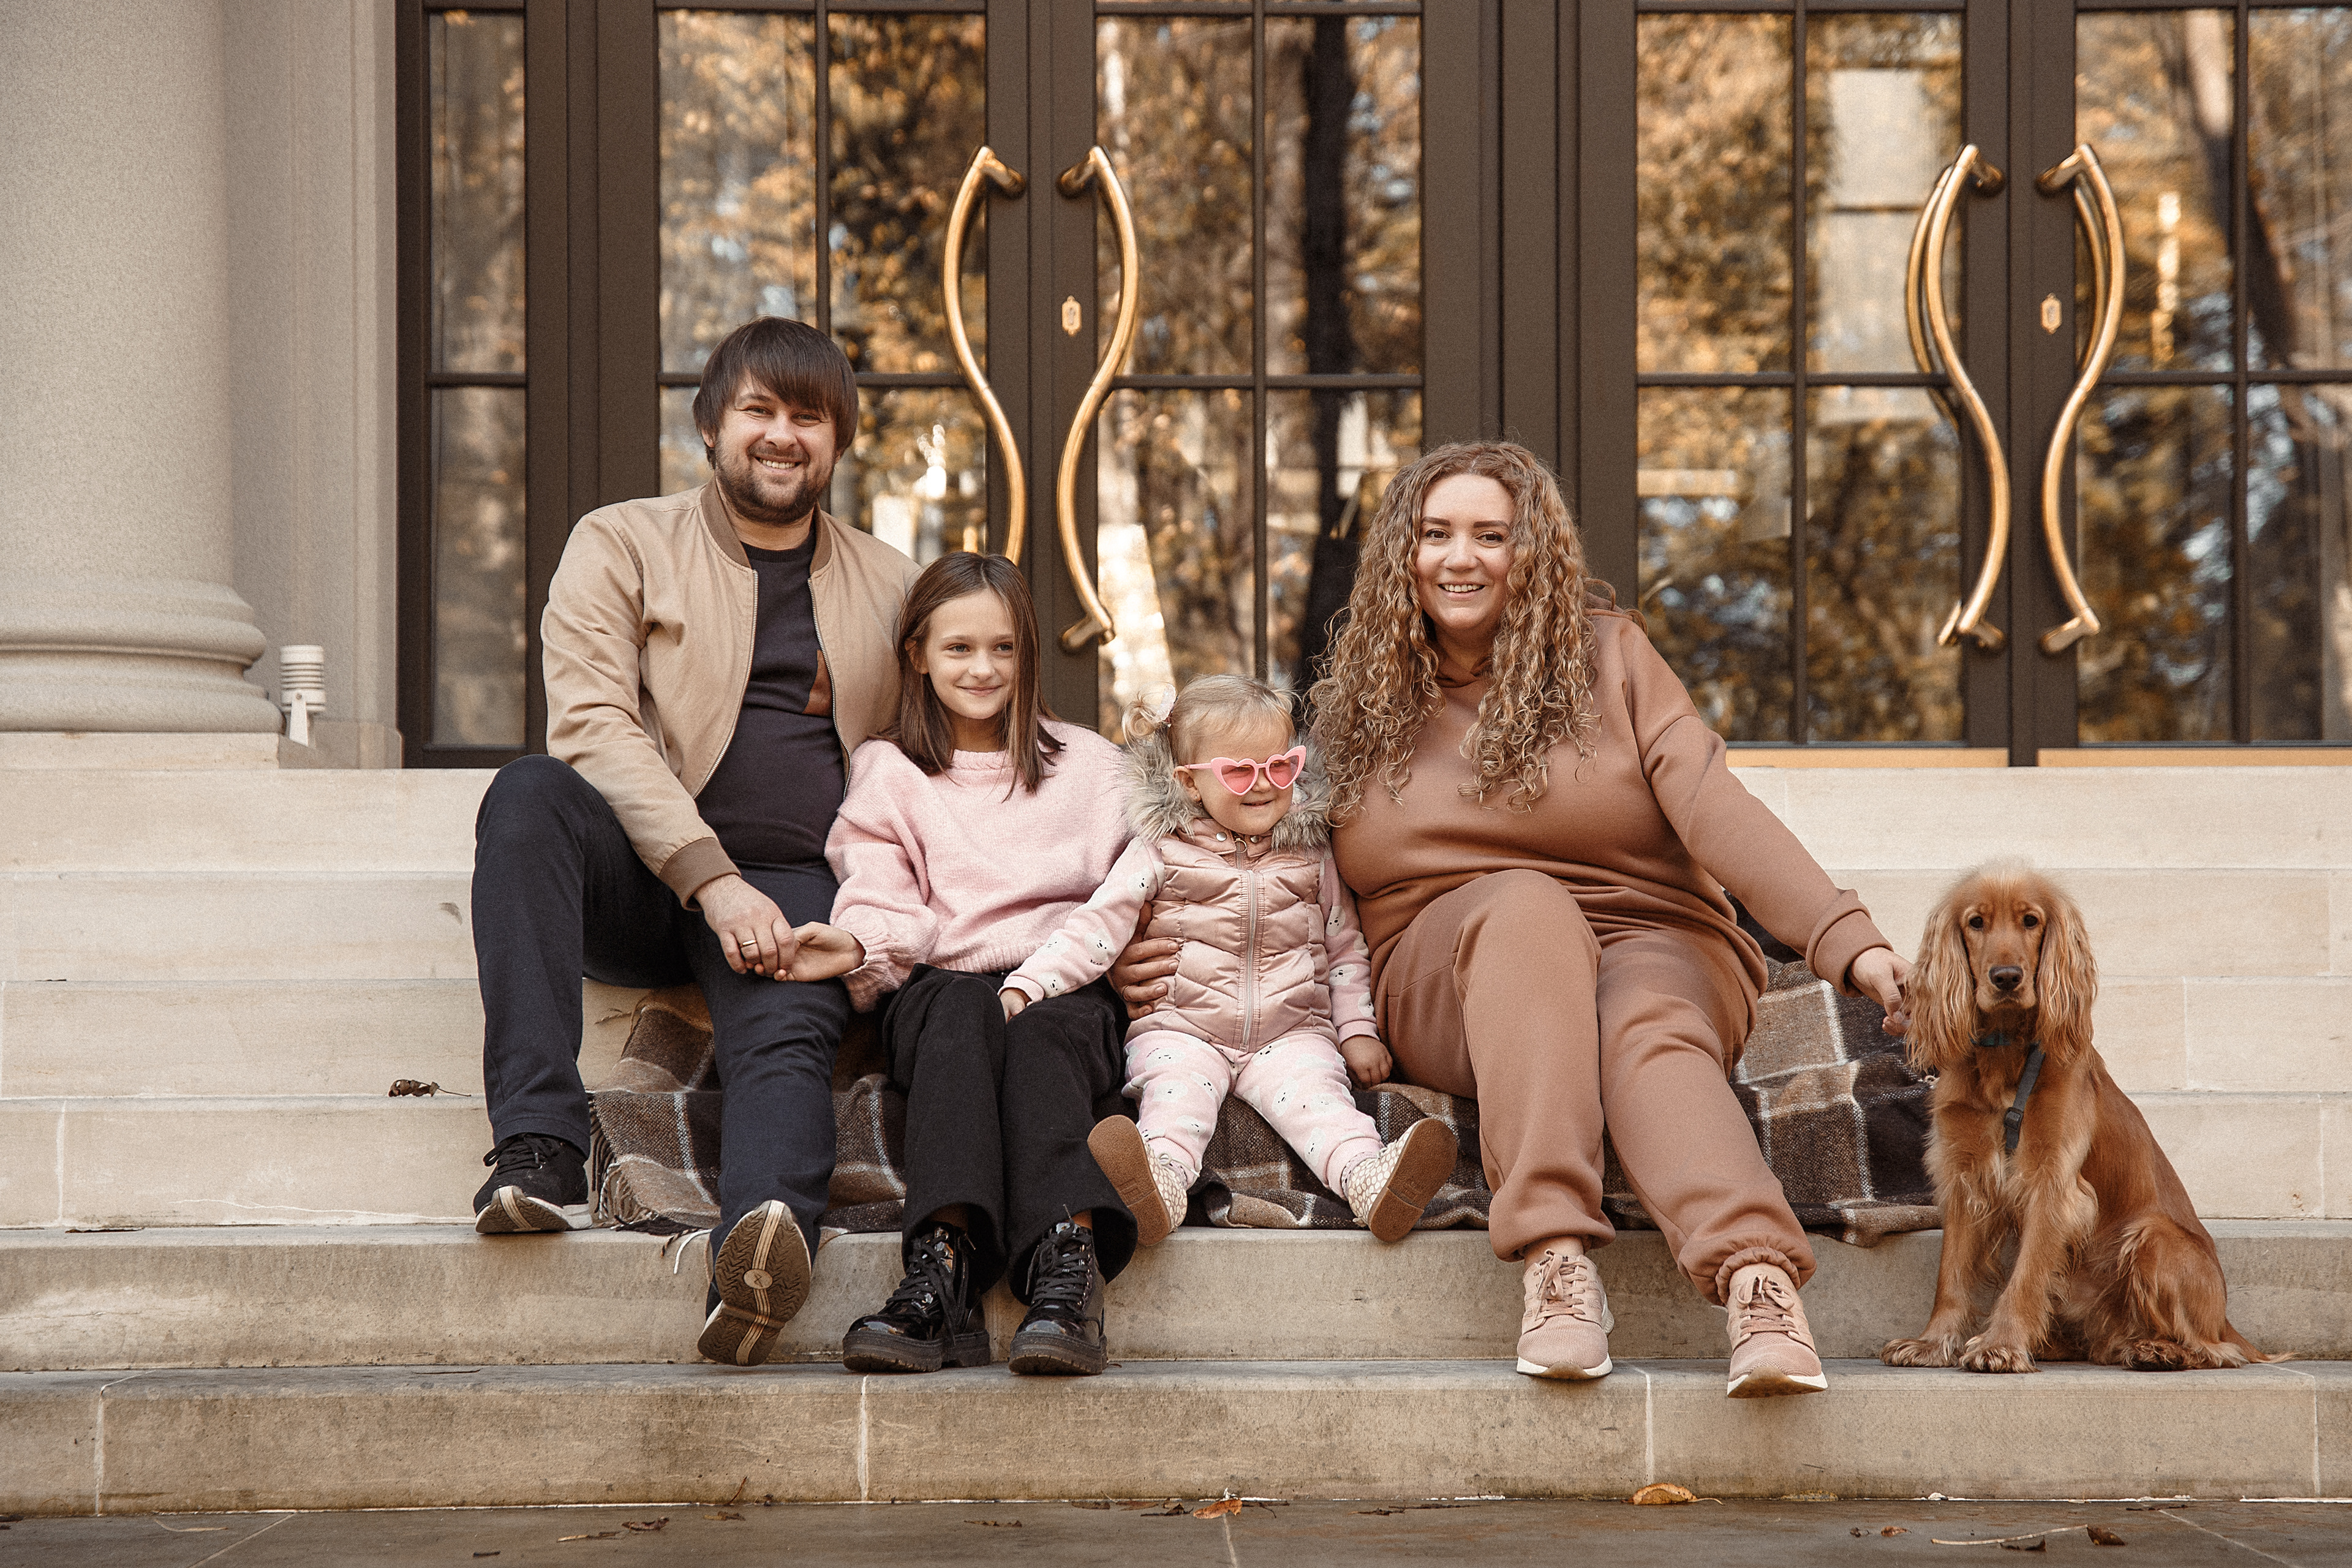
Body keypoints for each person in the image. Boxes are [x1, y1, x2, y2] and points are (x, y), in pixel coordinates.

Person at [1118, 441, 1911, 1398]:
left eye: (1491, 536)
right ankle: (1556, 1260)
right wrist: (1153, 943)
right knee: (1525, 909)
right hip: (1444, 970)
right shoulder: (1355, 705)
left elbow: (1714, 805)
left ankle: (1757, 1279)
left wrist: (1848, 942)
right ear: (1403, 553)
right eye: (1436, 534)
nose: (1462, 558)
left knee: (1646, 1021)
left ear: (1530, 550)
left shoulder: (1613, 657)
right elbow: (1252, 846)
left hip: (1650, 936)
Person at [467, 317, 921, 1368]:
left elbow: (960, 745)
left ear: (840, 441)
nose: (782, 435)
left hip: (799, 880)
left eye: (809, 417)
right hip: (641, 869)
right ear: (711, 425)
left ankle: (760, 1249)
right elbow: (592, 723)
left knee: (787, 1039)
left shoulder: (894, 583)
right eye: (759, 410)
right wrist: (710, 879)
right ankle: (538, 1149)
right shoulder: (622, 542)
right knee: (528, 796)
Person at [783, 552, 1139, 1377]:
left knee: (1043, 1033)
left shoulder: (1095, 767)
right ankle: (943, 1269)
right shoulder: (889, 770)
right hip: (941, 984)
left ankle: (1067, 1268)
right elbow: (881, 893)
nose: (984, 668)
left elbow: (1142, 886)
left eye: (1004, 648)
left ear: (1028, 653)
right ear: (917, 654)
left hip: (1063, 982)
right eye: (959, 648)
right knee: (959, 1010)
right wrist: (858, 945)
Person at [1000, 673, 1458, 1246]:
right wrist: (1030, 984)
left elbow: (1344, 948)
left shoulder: (1311, 854)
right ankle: (1160, 1185)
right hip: (1182, 1028)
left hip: (1292, 1031)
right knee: (1176, 1100)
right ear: (1190, 782)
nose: (1263, 785)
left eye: (1281, 767)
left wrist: (1357, 1032)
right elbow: (1097, 928)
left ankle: (1371, 1179)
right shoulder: (1159, 851)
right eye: (1239, 771)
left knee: (1322, 1104)